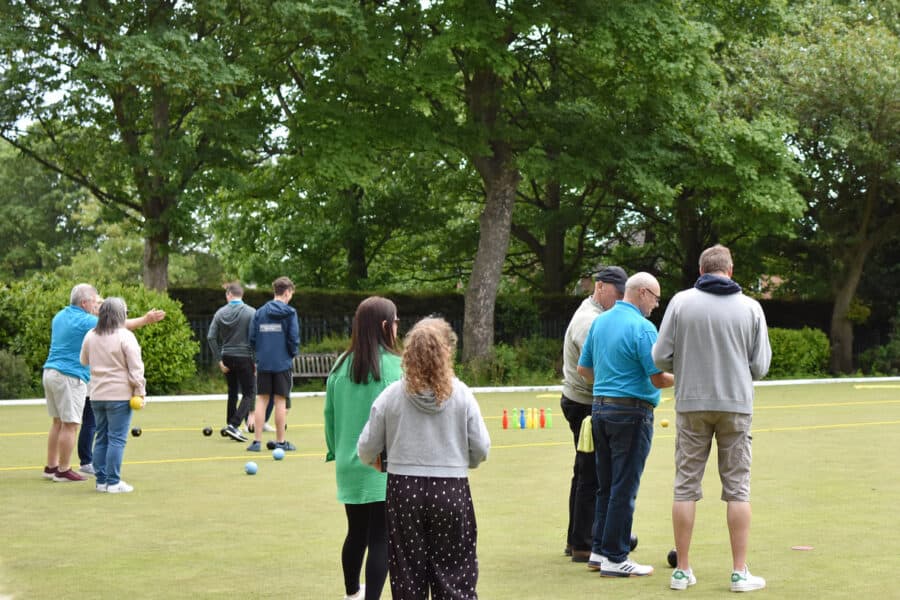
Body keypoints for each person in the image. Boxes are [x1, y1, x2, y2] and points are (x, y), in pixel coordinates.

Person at [652, 244, 771, 592]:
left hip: (691, 403)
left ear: (701, 271)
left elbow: (660, 357)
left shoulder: (680, 303)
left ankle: (682, 571)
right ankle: (738, 572)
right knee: (737, 488)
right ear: (730, 270)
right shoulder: (751, 307)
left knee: (685, 485)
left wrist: (686, 365)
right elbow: (760, 366)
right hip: (736, 403)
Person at [357, 318, 490, 600]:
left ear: (408, 354)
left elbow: (366, 448)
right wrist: (461, 461)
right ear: (445, 353)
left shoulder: (391, 396)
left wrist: (380, 462)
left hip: (404, 489)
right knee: (455, 573)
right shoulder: (462, 395)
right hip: (450, 489)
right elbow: (481, 448)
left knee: (407, 575)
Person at [577, 272, 673, 577]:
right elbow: (657, 377)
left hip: (600, 410)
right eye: (656, 298)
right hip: (632, 414)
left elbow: (583, 369)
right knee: (624, 487)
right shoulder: (644, 328)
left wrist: (609, 385)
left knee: (606, 486)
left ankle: (599, 551)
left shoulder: (601, 321)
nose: (656, 306)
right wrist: (684, 376)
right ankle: (616, 557)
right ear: (643, 293)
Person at [42, 283, 163, 482]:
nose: (96, 305)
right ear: (84, 302)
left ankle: (51, 466)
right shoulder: (85, 321)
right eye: (94, 301)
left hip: (50, 372)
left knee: (57, 422)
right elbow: (118, 326)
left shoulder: (60, 315)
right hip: (69, 376)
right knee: (71, 424)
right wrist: (146, 319)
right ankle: (62, 470)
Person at [324, 297, 403, 600]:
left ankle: (351, 594)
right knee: (380, 538)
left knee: (355, 533)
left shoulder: (340, 366)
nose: (398, 327)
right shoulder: (396, 368)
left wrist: (337, 451)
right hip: (383, 464)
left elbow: (329, 417)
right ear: (385, 326)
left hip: (348, 463)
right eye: (396, 322)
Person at [560, 266, 628, 562]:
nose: (622, 297)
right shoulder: (590, 321)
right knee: (591, 473)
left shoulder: (596, 314)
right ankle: (583, 544)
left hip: (583, 400)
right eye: (618, 291)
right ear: (601, 287)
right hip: (586, 404)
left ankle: (578, 538)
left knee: (585, 472)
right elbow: (599, 368)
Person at [79, 297, 146, 493]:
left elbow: (83, 360)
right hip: (119, 395)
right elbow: (136, 369)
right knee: (116, 439)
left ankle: (101, 482)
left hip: (97, 394)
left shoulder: (91, 335)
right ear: (120, 314)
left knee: (101, 437)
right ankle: (114, 482)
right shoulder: (125, 336)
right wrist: (140, 392)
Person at [247, 276, 300, 452]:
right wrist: (291, 354)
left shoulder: (259, 312)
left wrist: (260, 354)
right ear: (286, 292)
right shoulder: (290, 313)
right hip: (282, 363)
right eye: (291, 293)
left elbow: (252, 339)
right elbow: (293, 338)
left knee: (261, 399)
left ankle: (256, 442)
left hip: (263, 362)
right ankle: (280, 442)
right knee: (280, 401)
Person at [207, 282, 256, 442]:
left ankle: (230, 424)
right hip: (245, 356)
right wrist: (255, 360)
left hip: (227, 356)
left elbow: (211, 337)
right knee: (249, 393)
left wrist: (219, 360)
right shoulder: (251, 312)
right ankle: (233, 425)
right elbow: (256, 338)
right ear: (241, 295)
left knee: (232, 391)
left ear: (229, 295)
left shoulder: (220, 313)